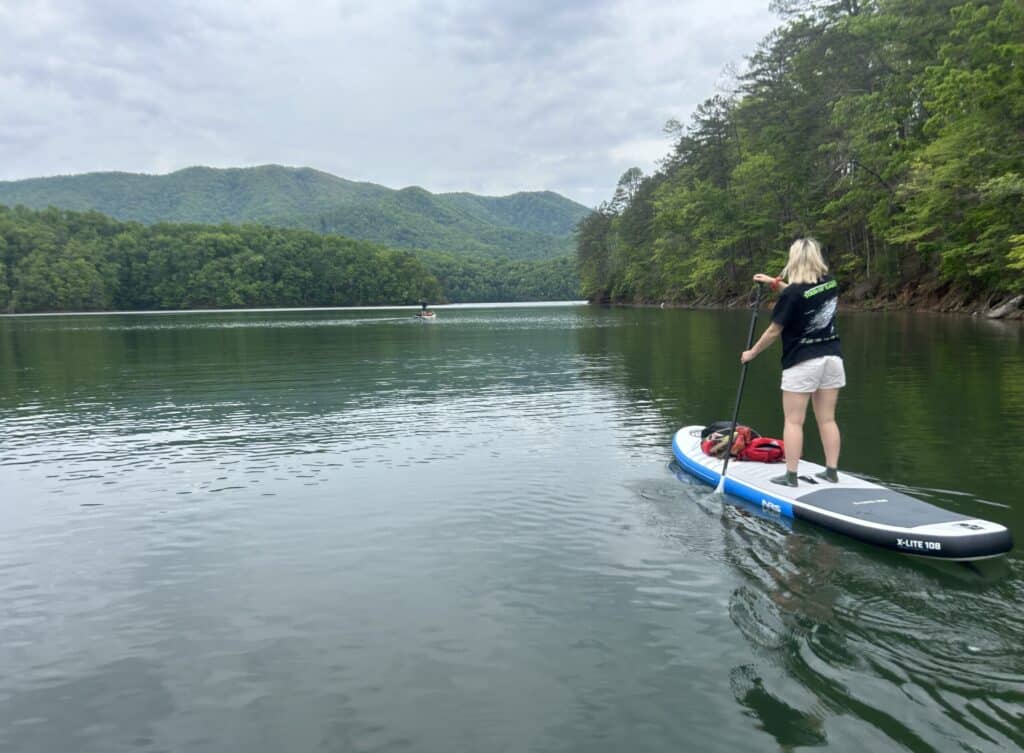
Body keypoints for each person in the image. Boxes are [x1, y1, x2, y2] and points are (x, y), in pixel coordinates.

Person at [740, 238, 844, 487]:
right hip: (832, 359)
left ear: (793, 260)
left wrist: (751, 353)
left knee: (794, 421)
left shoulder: (793, 295)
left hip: (802, 361)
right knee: (827, 419)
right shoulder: (830, 283)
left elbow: (774, 331)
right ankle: (831, 471)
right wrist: (775, 284)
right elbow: (806, 296)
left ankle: (791, 476)